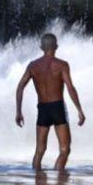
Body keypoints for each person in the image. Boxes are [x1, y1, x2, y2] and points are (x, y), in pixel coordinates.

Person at [14, 32, 86, 172]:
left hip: (43, 109)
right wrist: (80, 110)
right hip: (57, 107)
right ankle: (58, 183)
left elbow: (20, 87)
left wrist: (18, 111)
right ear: (56, 47)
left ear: (41, 47)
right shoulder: (62, 65)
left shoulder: (33, 66)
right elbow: (70, 88)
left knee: (40, 150)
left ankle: (38, 184)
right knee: (64, 149)